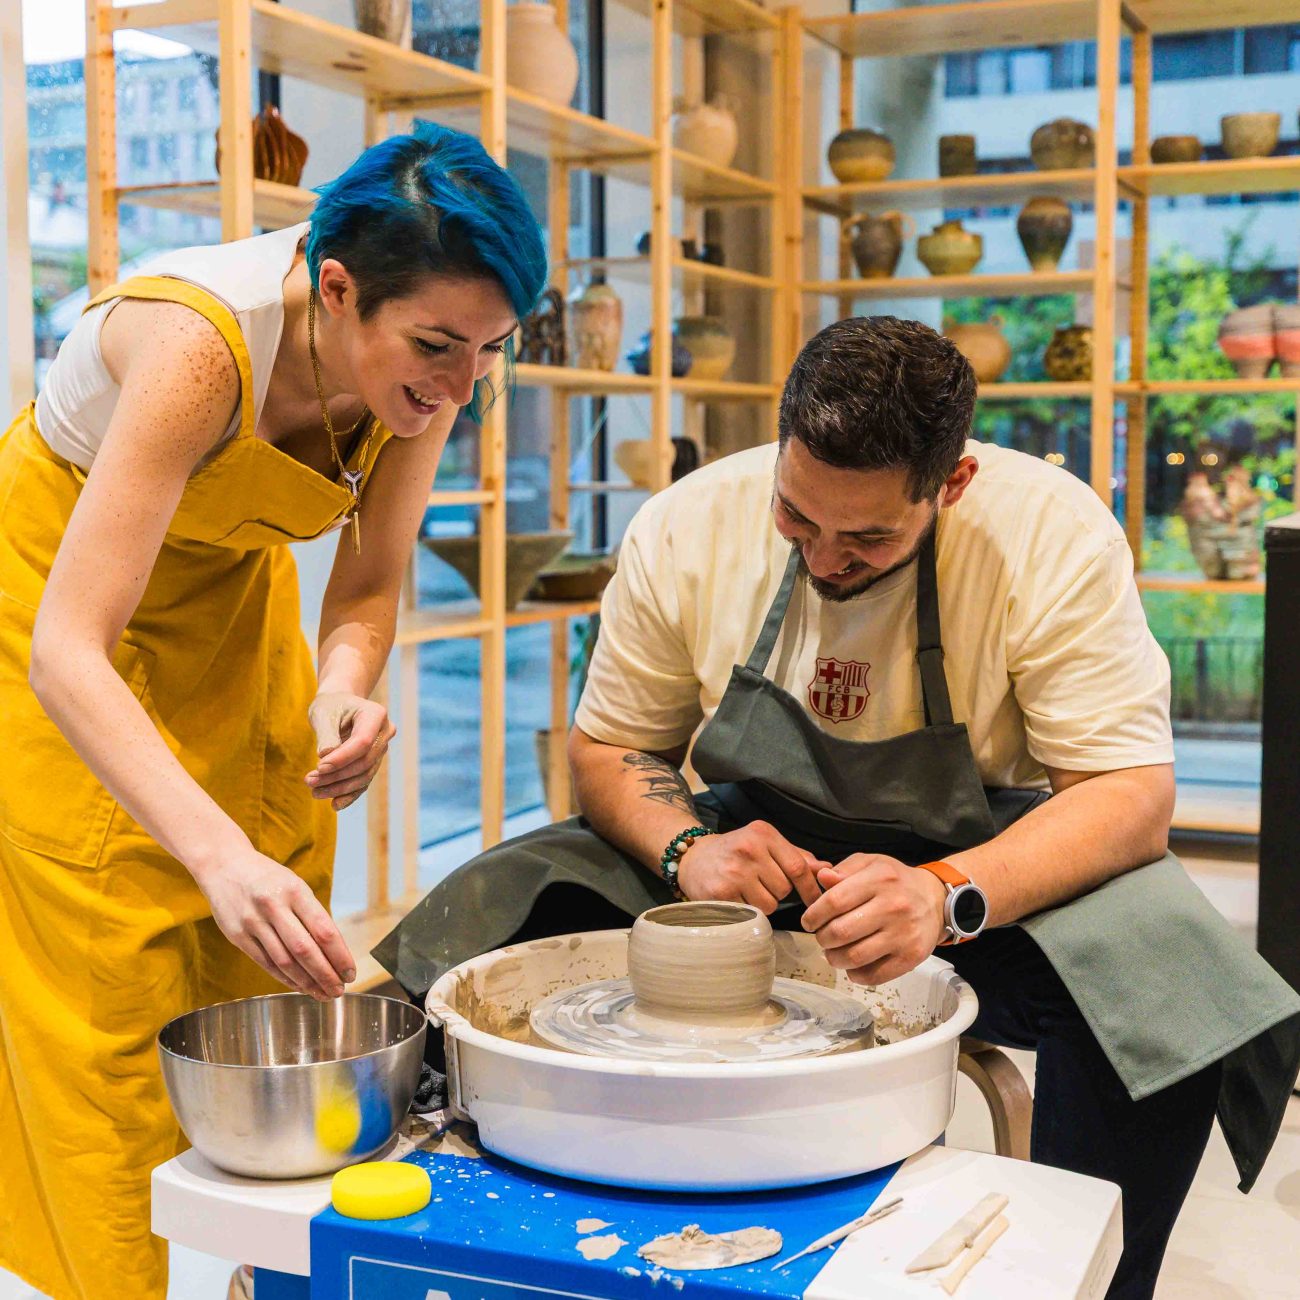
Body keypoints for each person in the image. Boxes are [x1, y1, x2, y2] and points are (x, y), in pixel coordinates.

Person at [377, 316, 1300, 1300]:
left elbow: (1127, 795)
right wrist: (688, 845)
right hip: (756, 848)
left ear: (950, 484)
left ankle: (1084, 1285)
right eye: (797, 520)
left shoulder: (1050, 532)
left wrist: (944, 895)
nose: (823, 559)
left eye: (867, 537)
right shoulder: (689, 524)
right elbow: (610, 746)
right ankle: (507, 1257)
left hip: (978, 861)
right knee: (496, 908)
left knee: (1165, 982)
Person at [0, 122, 545, 1300]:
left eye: (490, 352)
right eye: (439, 346)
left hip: (229, 620)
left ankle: (262, 1275)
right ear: (336, 289)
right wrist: (212, 854)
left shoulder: (430, 363)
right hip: (63, 614)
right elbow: (68, 648)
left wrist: (345, 685)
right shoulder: (201, 348)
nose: (460, 387)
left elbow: (365, 581)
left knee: (267, 957)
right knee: (119, 983)